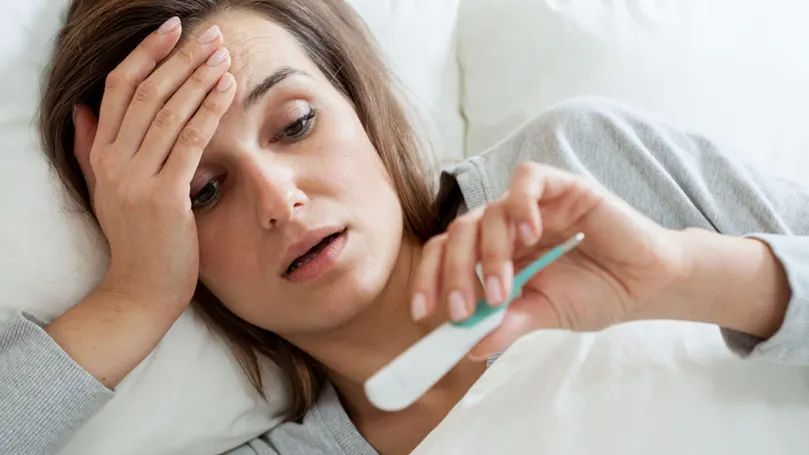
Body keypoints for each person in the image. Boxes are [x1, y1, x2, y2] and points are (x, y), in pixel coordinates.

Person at [1, 0, 808, 454]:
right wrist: (134, 298)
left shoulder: (581, 162)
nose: (279, 199)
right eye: (204, 191)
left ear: (360, 105)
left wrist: (685, 276)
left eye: (295, 123)